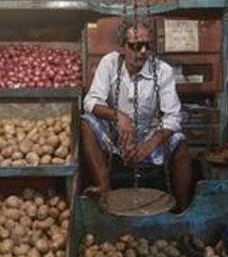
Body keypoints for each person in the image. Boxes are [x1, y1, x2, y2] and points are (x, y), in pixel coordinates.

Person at [81, 21, 193, 211]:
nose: (142, 51)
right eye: (135, 46)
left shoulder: (162, 71)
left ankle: (182, 210)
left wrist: (149, 145)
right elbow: (91, 101)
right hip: (116, 134)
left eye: (146, 45)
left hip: (150, 134)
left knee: (180, 146)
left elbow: (173, 117)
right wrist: (119, 117)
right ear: (122, 48)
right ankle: (104, 188)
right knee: (86, 123)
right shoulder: (109, 63)